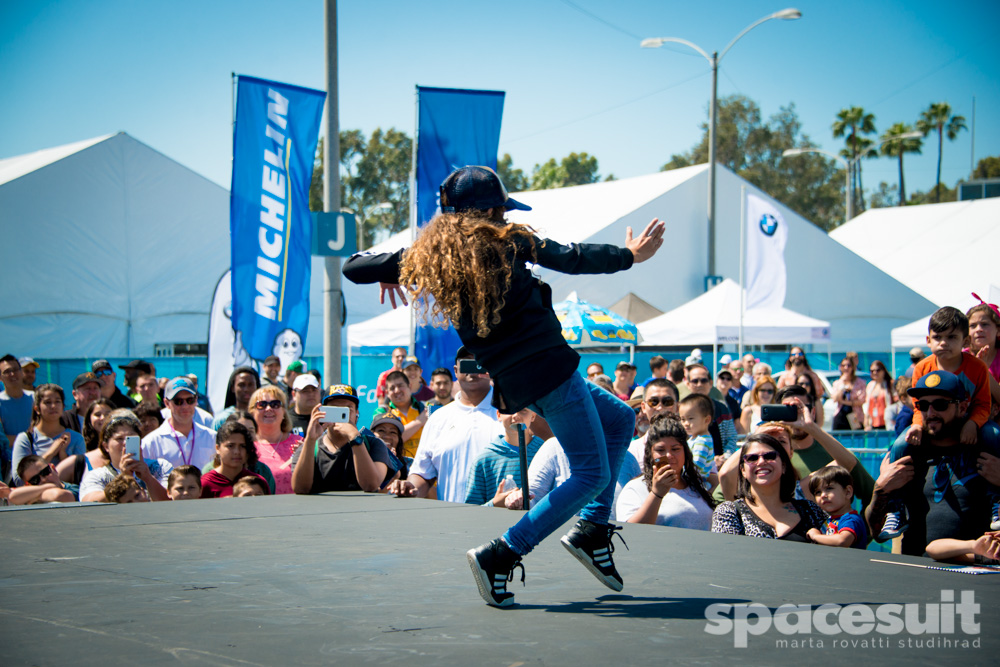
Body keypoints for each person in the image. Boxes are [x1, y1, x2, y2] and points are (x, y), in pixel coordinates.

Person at [344, 165, 664, 607]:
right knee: (592, 474)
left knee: (621, 417)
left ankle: (592, 530)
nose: (502, 216)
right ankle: (502, 553)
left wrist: (393, 269)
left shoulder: (432, 260)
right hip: (551, 371)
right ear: (490, 210)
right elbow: (573, 257)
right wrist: (629, 255)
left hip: (521, 381)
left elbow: (352, 267)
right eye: (498, 209)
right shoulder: (511, 241)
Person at [868, 370, 1000, 544]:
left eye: (940, 404)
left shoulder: (988, 452)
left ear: (962, 408)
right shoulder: (907, 453)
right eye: (923, 405)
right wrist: (881, 489)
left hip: (975, 567)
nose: (930, 413)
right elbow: (876, 534)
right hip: (917, 567)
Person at [385, 347, 499, 503]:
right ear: (456, 370)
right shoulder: (438, 418)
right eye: (467, 363)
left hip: (503, 521)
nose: (473, 369)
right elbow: (422, 473)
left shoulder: (512, 414)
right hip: (452, 521)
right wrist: (409, 487)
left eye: (479, 362)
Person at [711, 433, 829, 541]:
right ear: (743, 471)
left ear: (783, 466)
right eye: (752, 458)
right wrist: (757, 433)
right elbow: (726, 557)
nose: (761, 462)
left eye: (770, 456)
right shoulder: (729, 512)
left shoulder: (811, 510)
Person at [907, 307, 994, 447]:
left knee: (993, 435)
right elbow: (919, 406)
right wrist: (917, 425)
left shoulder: (978, 367)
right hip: (931, 422)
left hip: (969, 423)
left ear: (966, 341)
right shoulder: (922, 368)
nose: (943, 343)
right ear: (928, 341)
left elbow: (983, 405)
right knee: (901, 445)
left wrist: (973, 423)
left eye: (951, 337)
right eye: (937, 337)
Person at [290, 384, 397, 493]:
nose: (341, 417)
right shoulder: (310, 447)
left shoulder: (374, 444)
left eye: (347, 410)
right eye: (335, 410)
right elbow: (300, 489)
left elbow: (371, 485)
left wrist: (355, 438)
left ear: (357, 413)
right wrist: (310, 440)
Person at [615, 415, 716, 529]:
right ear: (650, 454)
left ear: (685, 452)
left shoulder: (696, 486)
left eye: (675, 449)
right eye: (660, 450)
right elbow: (630, 533)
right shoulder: (636, 488)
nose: (669, 455)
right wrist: (656, 494)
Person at [79, 415, 172, 502]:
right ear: (106, 446)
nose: (125, 443)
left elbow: (172, 501)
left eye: (130, 438)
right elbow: (89, 503)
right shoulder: (96, 476)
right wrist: (123, 479)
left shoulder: (160, 466)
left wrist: (148, 478)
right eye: (119, 438)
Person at [464, 408, 544, 507]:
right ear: (498, 415)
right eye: (509, 410)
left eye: (523, 410)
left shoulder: (546, 452)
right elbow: (471, 512)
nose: (515, 415)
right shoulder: (484, 460)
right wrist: (495, 503)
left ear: (533, 416)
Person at [11, 384, 87, 487]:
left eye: (57, 401)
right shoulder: (26, 439)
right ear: (37, 409)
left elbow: (82, 477)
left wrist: (63, 454)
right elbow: (19, 481)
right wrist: (51, 452)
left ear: (63, 407)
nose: (53, 406)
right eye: (47, 402)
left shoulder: (76, 438)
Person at [142, 377, 217, 471]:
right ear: (167, 403)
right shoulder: (151, 442)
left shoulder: (212, 437)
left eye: (190, 400)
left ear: (196, 400)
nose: (185, 406)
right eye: (178, 401)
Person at [248, 385, 302, 495]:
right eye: (261, 405)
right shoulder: (247, 446)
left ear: (283, 412)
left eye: (275, 404)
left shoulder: (300, 443)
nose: (268, 409)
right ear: (252, 412)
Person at [805, 465, 868, 549]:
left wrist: (816, 536)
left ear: (848, 492)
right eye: (818, 492)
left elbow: (842, 541)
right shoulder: (829, 520)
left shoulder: (851, 519)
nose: (823, 495)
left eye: (829, 488)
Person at [201, 422, 269, 498]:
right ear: (217, 448)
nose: (237, 452)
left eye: (242, 446)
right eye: (230, 446)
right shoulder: (205, 483)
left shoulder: (258, 482)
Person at [374, 371, 427, 459]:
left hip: (425, 468)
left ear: (409, 386)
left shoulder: (425, 408)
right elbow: (386, 440)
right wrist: (419, 422)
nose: (397, 391)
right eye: (392, 388)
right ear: (387, 392)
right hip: (396, 467)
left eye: (400, 386)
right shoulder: (381, 412)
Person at [677, 393, 719, 488]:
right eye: (682, 419)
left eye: (690, 419)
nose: (686, 423)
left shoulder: (702, 441)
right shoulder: (694, 438)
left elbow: (697, 467)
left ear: (706, 420)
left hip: (697, 484)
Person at [966, 298, 1000, 405]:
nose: (978, 329)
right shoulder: (961, 357)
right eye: (973, 325)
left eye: (985, 324)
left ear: (998, 330)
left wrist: (984, 371)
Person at [10, 455, 78, 504]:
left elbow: (60, 496)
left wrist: (35, 497)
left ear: (53, 468)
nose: (43, 480)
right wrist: (47, 487)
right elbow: (13, 497)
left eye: (45, 472)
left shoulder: (75, 489)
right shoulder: (27, 495)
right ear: (29, 485)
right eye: (35, 480)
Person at [0, 354, 34, 441]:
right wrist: (27, 439)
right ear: (0, 377)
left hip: (36, 453)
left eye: (15, 370)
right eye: (7, 371)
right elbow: (2, 440)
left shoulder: (35, 398)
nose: (12, 374)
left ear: (21, 372)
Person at [831, 357, 865, 430]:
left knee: (856, 438)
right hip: (840, 415)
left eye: (849, 365)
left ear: (853, 367)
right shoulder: (837, 383)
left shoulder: (860, 382)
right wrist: (842, 385)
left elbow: (861, 400)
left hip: (854, 416)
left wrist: (844, 402)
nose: (846, 368)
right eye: (843, 365)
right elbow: (835, 398)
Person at [369, 414, 408, 479]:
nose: (387, 436)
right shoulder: (360, 461)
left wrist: (395, 464)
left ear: (399, 439)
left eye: (393, 432)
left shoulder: (410, 465)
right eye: (381, 430)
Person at [82, 398, 115, 467]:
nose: (103, 418)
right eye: (97, 414)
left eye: (108, 414)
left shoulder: (122, 443)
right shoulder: (81, 444)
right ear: (89, 418)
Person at [865, 360, 895, 431]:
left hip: (887, 421)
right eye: (872, 371)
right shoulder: (870, 385)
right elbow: (867, 405)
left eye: (878, 370)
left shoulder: (890, 384)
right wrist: (866, 422)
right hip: (873, 422)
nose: (875, 373)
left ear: (883, 371)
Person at [715, 369, 743, 434]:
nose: (725, 381)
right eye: (722, 378)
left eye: (728, 379)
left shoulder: (733, 402)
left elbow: (737, 423)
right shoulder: (709, 398)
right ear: (717, 380)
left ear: (731, 383)